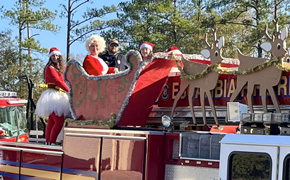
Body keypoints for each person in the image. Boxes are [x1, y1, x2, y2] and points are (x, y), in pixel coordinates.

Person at [35, 47, 70, 145]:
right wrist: (69, 90)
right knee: (59, 121)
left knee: (52, 121)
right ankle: (52, 142)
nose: (55, 57)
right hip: (53, 95)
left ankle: (48, 141)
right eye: (53, 56)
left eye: (57, 55)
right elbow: (58, 81)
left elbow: (67, 75)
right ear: (50, 57)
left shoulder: (60, 67)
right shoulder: (50, 68)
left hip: (59, 94)